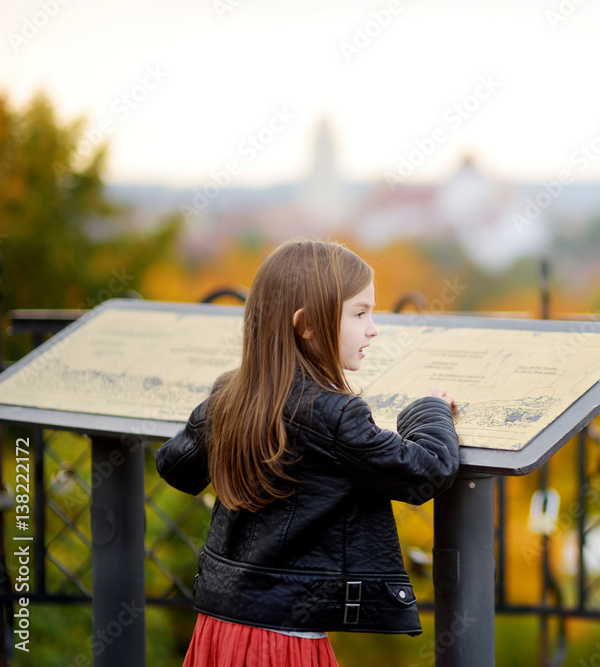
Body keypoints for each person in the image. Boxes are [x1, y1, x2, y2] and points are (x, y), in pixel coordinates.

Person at [156, 238, 460, 667]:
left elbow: (176, 467)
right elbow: (427, 471)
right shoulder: (335, 412)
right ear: (307, 326)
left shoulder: (233, 393)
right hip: (281, 640)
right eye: (359, 313)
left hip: (221, 621)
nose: (373, 328)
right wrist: (429, 412)